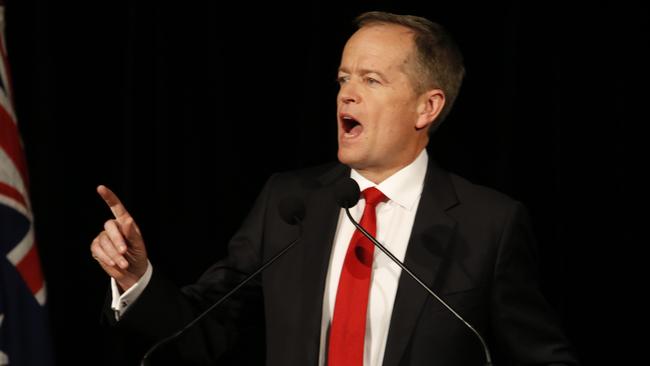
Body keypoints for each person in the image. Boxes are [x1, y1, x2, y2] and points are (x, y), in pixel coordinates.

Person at [90, 11, 579, 366]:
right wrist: (137, 277)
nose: (347, 93)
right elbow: (205, 329)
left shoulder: (488, 223)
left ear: (426, 108)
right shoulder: (290, 203)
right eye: (344, 78)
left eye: (371, 79)